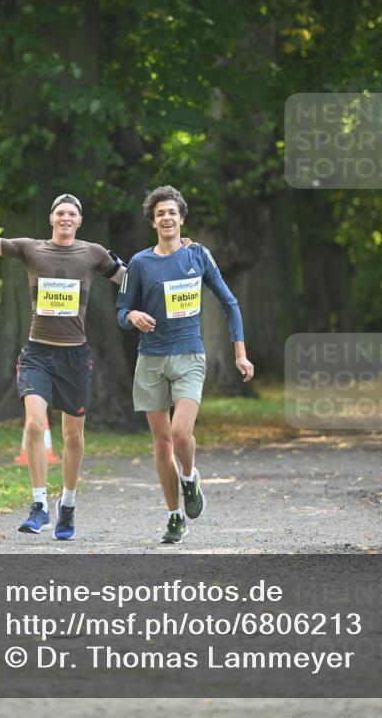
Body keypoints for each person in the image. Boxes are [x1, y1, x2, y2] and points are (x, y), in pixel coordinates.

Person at [0, 174, 126, 541]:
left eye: (72, 214)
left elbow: (131, 280)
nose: (65, 218)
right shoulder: (31, 248)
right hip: (37, 354)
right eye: (60, 213)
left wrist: (175, 251)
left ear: (79, 221)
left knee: (73, 437)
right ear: (51, 219)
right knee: (34, 424)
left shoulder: (93, 253)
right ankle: (38, 504)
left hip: (75, 358)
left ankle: (68, 505)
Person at [116, 185, 254, 545]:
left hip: (189, 356)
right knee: (161, 444)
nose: (166, 217)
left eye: (172, 212)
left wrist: (240, 352)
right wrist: (132, 315)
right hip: (150, 359)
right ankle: (175, 516)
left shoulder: (199, 256)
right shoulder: (140, 263)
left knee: (180, 434)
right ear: (153, 220)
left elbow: (230, 302)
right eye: (160, 213)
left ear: (181, 218)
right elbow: (120, 311)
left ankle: (190, 477)